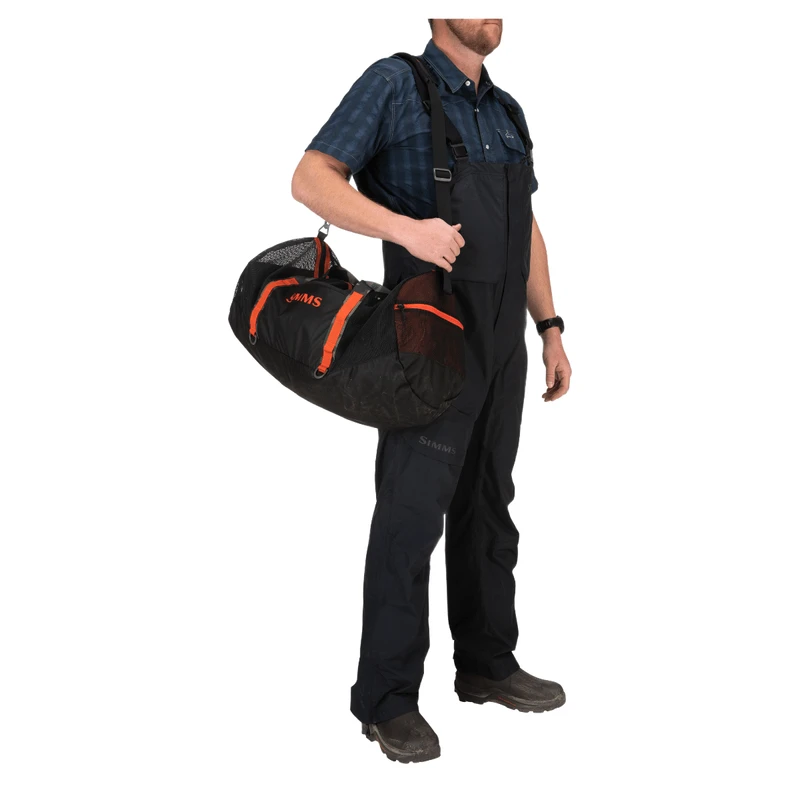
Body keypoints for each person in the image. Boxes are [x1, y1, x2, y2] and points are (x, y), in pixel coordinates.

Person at [291, 18, 572, 763]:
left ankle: (486, 663)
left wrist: (549, 326)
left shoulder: (506, 110)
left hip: (503, 343)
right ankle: (386, 699)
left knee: (489, 502)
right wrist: (405, 230)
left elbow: (525, 225)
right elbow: (311, 177)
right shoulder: (395, 85)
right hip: (429, 336)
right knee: (411, 515)